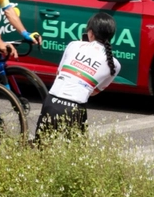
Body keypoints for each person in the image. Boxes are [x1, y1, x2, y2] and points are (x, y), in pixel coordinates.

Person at [35, 11, 119, 140]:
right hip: (76, 107)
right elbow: (93, 92)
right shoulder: (115, 64)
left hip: (52, 101)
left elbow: (58, 74)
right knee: (77, 155)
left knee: (41, 150)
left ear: (90, 33)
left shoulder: (73, 45)